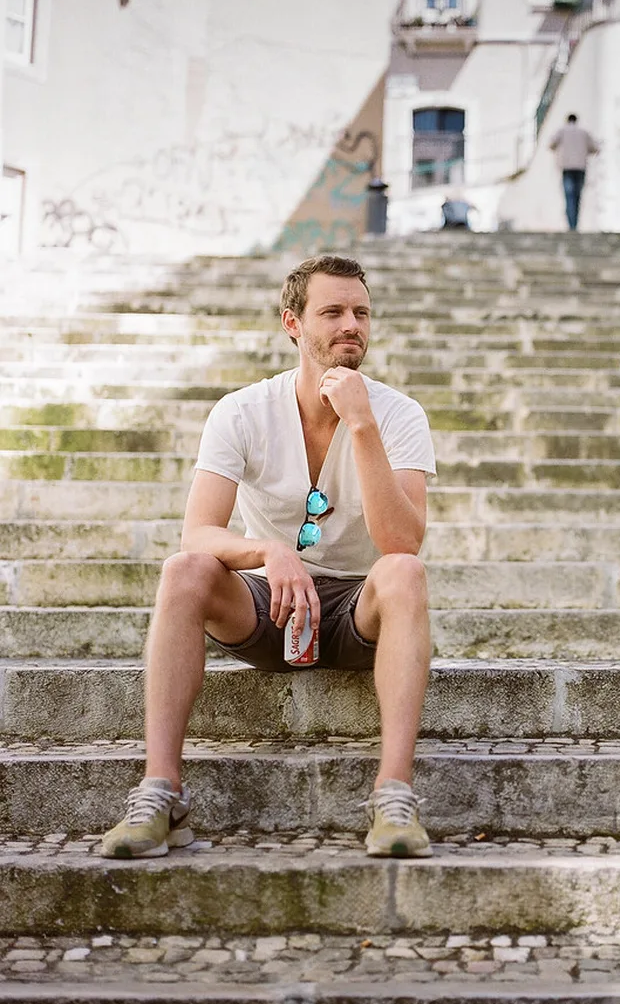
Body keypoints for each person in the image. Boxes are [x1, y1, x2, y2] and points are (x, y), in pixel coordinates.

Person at [99, 255, 438, 860]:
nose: (350, 325)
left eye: (361, 312)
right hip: (269, 603)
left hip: (360, 611)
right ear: (293, 323)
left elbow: (401, 543)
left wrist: (361, 425)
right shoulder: (242, 410)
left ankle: (393, 798)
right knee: (186, 571)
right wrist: (268, 550)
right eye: (332, 312)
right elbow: (198, 533)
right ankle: (161, 793)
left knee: (405, 573)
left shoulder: (399, 414)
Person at [548, 113, 599, 231]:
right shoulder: (584, 132)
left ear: (567, 120)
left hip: (566, 168)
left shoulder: (561, 131)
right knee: (577, 197)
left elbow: (551, 144)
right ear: (576, 120)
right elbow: (595, 148)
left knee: (569, 196)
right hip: (580, 168)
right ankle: (574, 224)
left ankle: (571, 225)